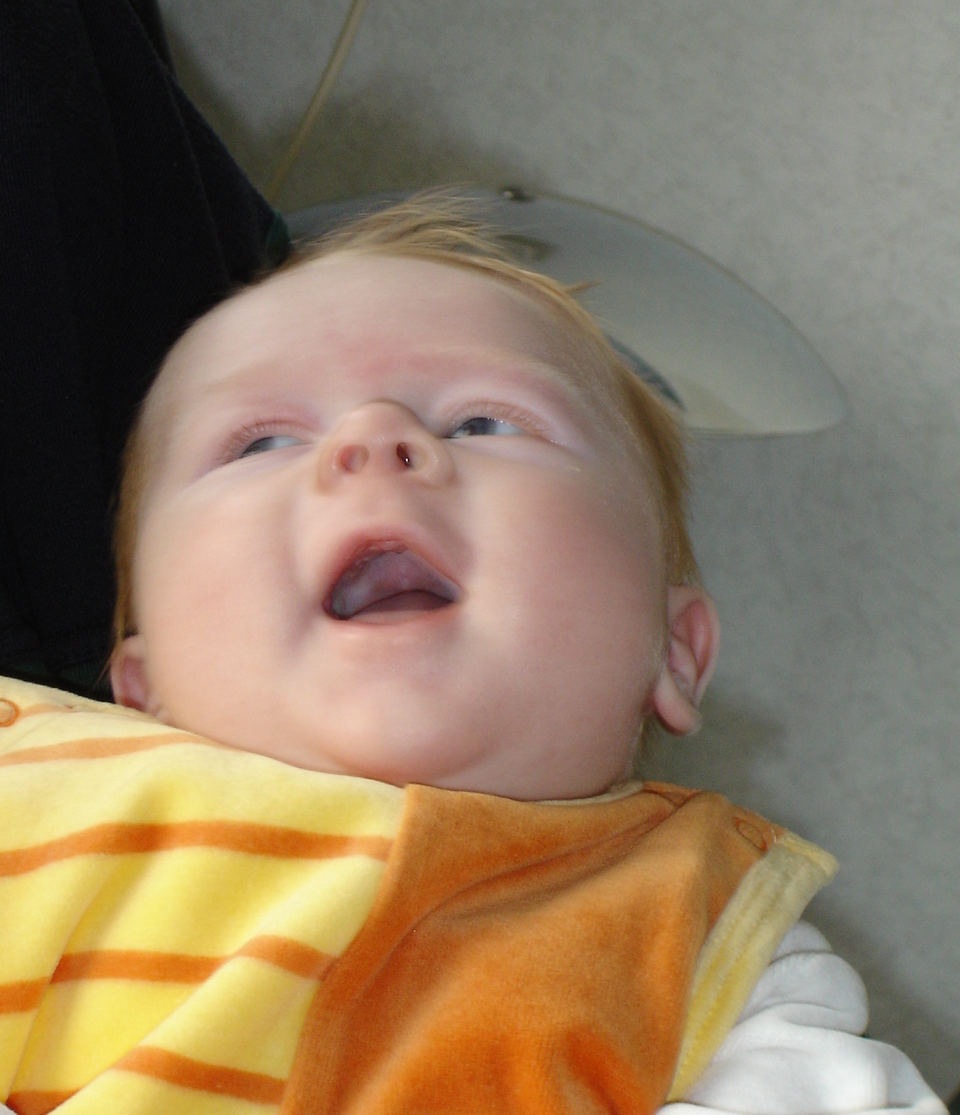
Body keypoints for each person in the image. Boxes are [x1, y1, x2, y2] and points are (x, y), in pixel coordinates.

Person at [0, 198, 944, 1114]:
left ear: (674, 652)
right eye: (264, 440)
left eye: (483, 423)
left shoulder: (710, 940)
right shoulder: (35, 797)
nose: (374, 439)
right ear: (141, 689)